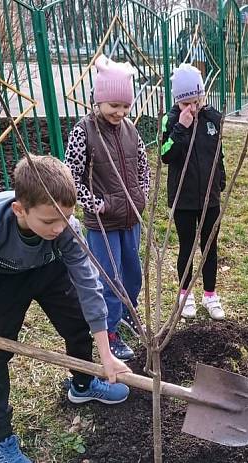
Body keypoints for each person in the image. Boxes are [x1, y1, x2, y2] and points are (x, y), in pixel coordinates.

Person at [0, 156, 131, 463]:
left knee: (77, 326)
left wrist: (107, 356)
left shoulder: (65, 228)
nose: (59, 227)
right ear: (20, 209)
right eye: (48, 221)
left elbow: (88, 284)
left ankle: (83, 384)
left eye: (65, 217)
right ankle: (0, 438)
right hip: (0, 278)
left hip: (48, 270)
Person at [64, 54, 150, 361]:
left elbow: (143, 165)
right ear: (98, 101)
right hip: (102, 222)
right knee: (108, 278)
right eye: (114, 105)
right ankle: (109, 331)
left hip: (131, 217)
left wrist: (143, 195)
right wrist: (94, 204)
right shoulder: (83, 132)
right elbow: (70, 175)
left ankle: (128, 314)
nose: (120, 112)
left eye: (125, 106)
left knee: (131, 273)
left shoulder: (130, 130)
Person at [161, 63, 226, 320]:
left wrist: (219, 181)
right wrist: (182, 128)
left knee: (210, 246)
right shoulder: (172, 120)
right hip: (183, 197)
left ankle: (210, 294)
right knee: (187, 246)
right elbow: (166, 155)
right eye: (186, 103)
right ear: (178, 100)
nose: (192, 108)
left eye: (196, 101)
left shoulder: (213, 118)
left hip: (210, 197)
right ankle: (184, 294)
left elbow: (218, 154)